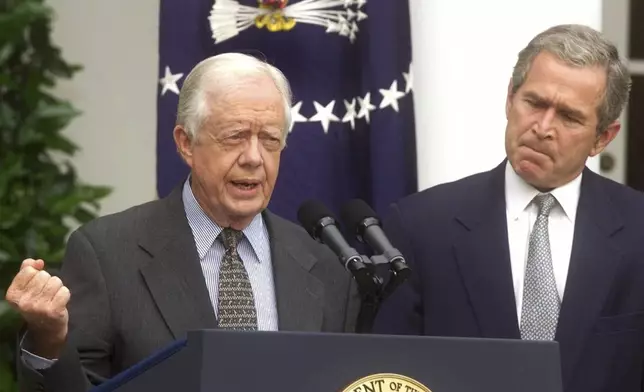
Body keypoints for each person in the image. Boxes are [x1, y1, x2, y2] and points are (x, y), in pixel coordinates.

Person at [6, 53, 358, 392]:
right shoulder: (107, 254)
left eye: (270, 140)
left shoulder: (325, 268)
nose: (254, 158)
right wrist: (49, 338)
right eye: (235, 135)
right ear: (186, 143)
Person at [372, 24, 644, 392]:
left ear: (603, 138)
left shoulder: (637, 229)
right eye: (534, 102)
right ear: (509, 99)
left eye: (569, 117)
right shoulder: (421, 225)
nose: (543, 127)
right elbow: (388, 374)